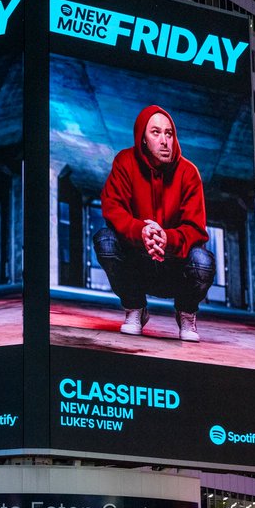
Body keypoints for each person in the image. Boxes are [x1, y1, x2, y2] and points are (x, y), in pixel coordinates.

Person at [91, 105, 214, 342]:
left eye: (168, 133)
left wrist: (167, 238)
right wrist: (142, 231)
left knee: (203, 261)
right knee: (105, 240)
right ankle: (135, 308)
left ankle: (186, 312)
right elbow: (112, 208)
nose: (164, 140)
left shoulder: (189, 172)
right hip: (137, 261)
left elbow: (196, 229)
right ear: (143, 139)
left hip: (174, 267)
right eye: (156, 133)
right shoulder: (125, 162)